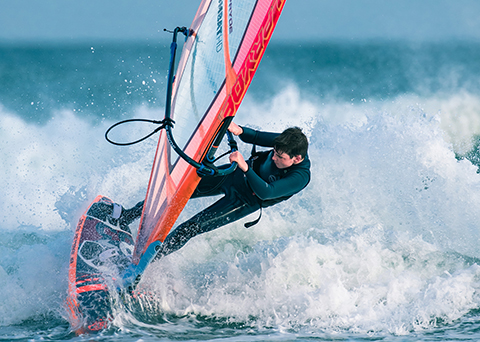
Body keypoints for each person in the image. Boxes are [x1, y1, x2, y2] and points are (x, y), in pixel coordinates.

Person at [119, 122, 311, 262]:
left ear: (297, 158)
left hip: (243, 200)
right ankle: (125, 217)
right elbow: (256, 136)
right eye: (274, 152)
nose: (275, 157)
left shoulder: (301, 177)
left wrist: (246, 168)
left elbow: (267, 193)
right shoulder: (286, 144)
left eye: (280, 157)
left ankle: (145, 261)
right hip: (233, 175)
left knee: (191, 227)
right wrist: (240, 130)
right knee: (176, 190)